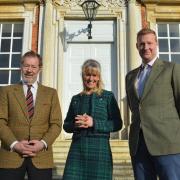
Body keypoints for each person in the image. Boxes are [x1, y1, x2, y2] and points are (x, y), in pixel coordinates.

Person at [126, 28, 180, 180]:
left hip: (168, 144)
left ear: (156, 44)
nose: (146, 47)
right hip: (139, 146)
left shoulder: (172, 69)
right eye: (141, 44)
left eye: (149, 43)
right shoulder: (130, 76)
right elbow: (135, 108)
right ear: (137, 46)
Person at [0, 51, 62, 180]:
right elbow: (1, 121)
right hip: (11, 155)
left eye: (33, 66)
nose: (29, 70)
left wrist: (43, 143)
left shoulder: (51, 93)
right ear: (21, 67)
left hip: (41, 157)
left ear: (40, 69)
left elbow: (56, 124)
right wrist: (15, 144)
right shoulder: (6, 91)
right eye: (26, 66)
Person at [63, 59, 122, 180]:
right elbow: (66, 125)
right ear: (83, 76)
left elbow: (117, 123)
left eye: (94, 75)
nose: (91, 79)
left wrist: (93, 123)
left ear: (99, 77)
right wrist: (75, 125)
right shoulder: (76, 98)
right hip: (77, 149)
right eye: (88, 75)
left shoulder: (108, 96)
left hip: (100, 150)